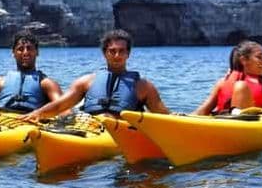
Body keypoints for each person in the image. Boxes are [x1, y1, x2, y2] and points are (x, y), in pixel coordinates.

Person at [21, 29, 168, 121]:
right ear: (105, 53)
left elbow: (164, 117)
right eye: (112, 51)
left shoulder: (144, 86)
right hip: (92, 129)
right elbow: (60, 105)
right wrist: (37, 113)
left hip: (123, 132)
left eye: (121, 51)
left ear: (128, 54)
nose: (117, 55)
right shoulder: (85, 82)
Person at [0, 30, 63, 113]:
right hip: (3, 121)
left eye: (29, 48)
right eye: (20, 49)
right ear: (13, 53)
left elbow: (64, 109)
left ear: (37, 52)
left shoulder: (47, 84)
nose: (25, 52)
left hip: (32, 121)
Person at [193, 41, 262, 115]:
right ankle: (236, 114)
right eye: (259, 57)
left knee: (241, 86)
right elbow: (202, 111)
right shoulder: (222, 83)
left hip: (252, 129)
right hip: (223, 124)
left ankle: (239, 114)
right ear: (243, 60)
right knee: (241, 86)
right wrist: (181, 119)